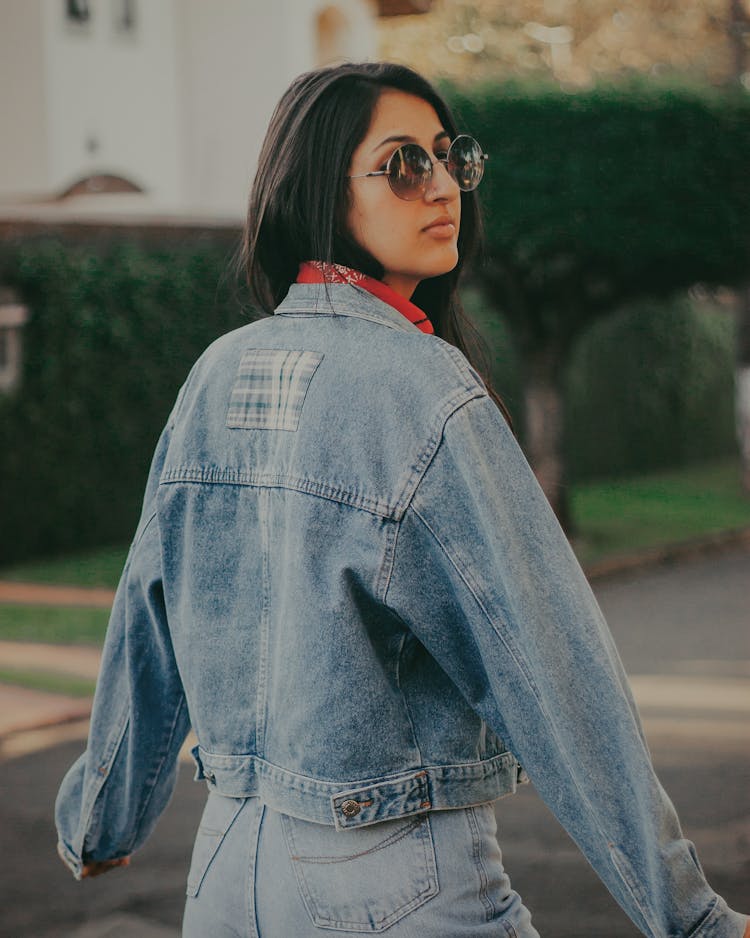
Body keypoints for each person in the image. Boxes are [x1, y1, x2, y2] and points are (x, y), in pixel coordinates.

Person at [55, 61, 748, 938]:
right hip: (396, 887)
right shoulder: (424, 389)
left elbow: (145, 616)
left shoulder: (216, 372)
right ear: (320, 192)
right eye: (403, 164)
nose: (443, 185)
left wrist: (101, 818)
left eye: (448, 156)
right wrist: (688, 916)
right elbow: (549, 667)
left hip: (226, 877)